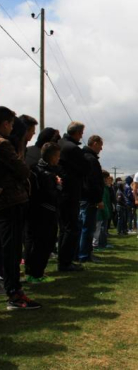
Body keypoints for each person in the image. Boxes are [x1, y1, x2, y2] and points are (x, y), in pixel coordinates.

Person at [0, 106, 41, 309]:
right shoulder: (4, 146)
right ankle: (14, 294)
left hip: (9, 203)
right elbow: (23, 170)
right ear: (5, 123)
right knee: (11, 250)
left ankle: (13, 290)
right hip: (10, 203)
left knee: (10, 249)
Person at [24, 142, 61, 283]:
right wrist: (58, 186)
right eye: (57, 156)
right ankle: (36, 273)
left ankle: (32, 271)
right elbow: (50, 195)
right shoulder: (47, 174)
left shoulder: (36, 169)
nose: (59, 159)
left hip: (35, 211)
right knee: (44, 243)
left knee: (34, 241)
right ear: (51, 157)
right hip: (46, 212)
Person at [58, 121, 89, 272]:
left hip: (61, 191)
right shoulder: (72, 148)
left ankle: (63, 260)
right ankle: (65, 261)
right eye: (81, 133)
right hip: (70, 191)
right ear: (76, 133)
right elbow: (85, 168)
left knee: (64, 228)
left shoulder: (59, 144)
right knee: (71, 227)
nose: (82, 136)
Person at [78, 135, 104, 263]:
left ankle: (85, 252)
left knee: (86, 227)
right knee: (87, 228)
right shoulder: (90, 159)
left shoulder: (85, 157)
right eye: (100, 145)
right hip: (89, 199)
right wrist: (98, 199)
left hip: (85, 197)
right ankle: (84, 254)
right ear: (94, 144)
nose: (101, 148)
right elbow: (92, 182)